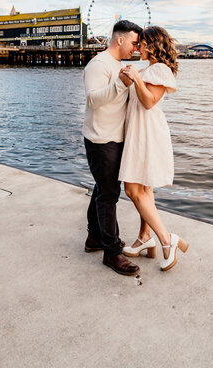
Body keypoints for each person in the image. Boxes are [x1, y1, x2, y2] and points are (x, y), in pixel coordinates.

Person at [119, 26, 189, 271]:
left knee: (132, 189)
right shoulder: (148, 68)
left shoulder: (159, 69)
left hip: (146, 132)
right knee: (143, 188)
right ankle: (144, 238)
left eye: (142, 44)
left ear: (152, 45)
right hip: (139, 129)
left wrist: (136, 77)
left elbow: (149, 102)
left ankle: (168, 240)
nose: (138, 48)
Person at [83, 20, 142, 276]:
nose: (136, 48)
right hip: (100, 139)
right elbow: (93, 99)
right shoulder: (99, 64)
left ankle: (94, 238)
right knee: (109, 194)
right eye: (133, 42)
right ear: (120, 40)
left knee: (102, 187)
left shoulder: (120, 66)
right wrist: (121, 83)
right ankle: (112, 252)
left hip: (116, 138)